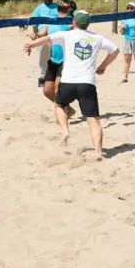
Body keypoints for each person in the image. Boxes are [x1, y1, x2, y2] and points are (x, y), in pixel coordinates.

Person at [23, 9, 119, 158]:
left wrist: (31, 45)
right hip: (87, 84)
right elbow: (115, 50)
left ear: (74, 22)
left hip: (68, 82)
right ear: (87, 24)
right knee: (93, 120)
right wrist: (103, 66)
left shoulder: (66, 35)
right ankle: (98, 152)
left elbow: (46, 39)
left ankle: (65, 131)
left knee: (59, 105)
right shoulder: (97, 38)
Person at [29, 0, 64, 103]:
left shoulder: (57, 7)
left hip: (55, 35)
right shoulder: (39, 8)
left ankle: (53, 77)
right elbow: (34, 22)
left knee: (53, 56)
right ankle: (41, 77)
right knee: (42, 56)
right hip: (42, 35)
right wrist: (36, 35)